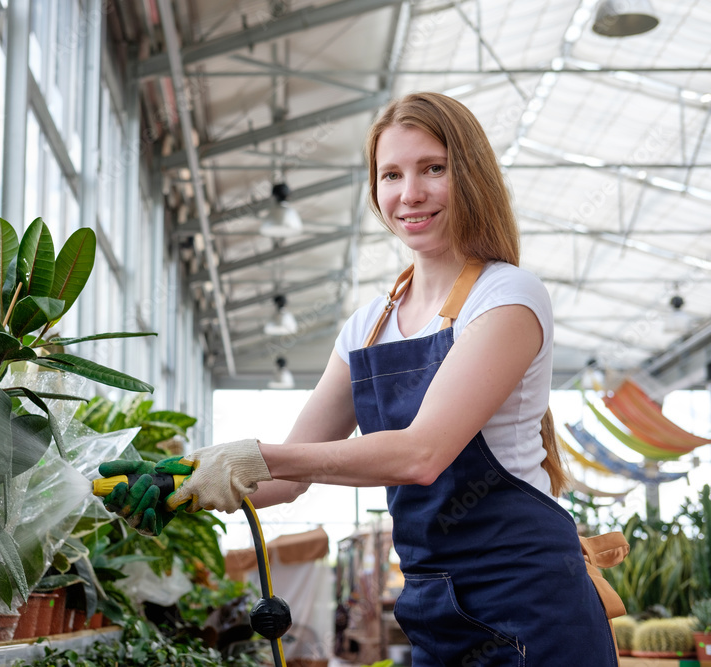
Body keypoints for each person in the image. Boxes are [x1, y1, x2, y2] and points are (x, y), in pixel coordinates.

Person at [99, 91, 618, 666]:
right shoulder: (368, 326)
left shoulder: (507, 296)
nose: (409, 193)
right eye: (390, 174)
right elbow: (288, 476)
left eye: (433, 169)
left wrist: (253, 456)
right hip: (434, 612)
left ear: (470, 175)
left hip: (530, 609)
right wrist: (183, 483)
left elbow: (421, 455)